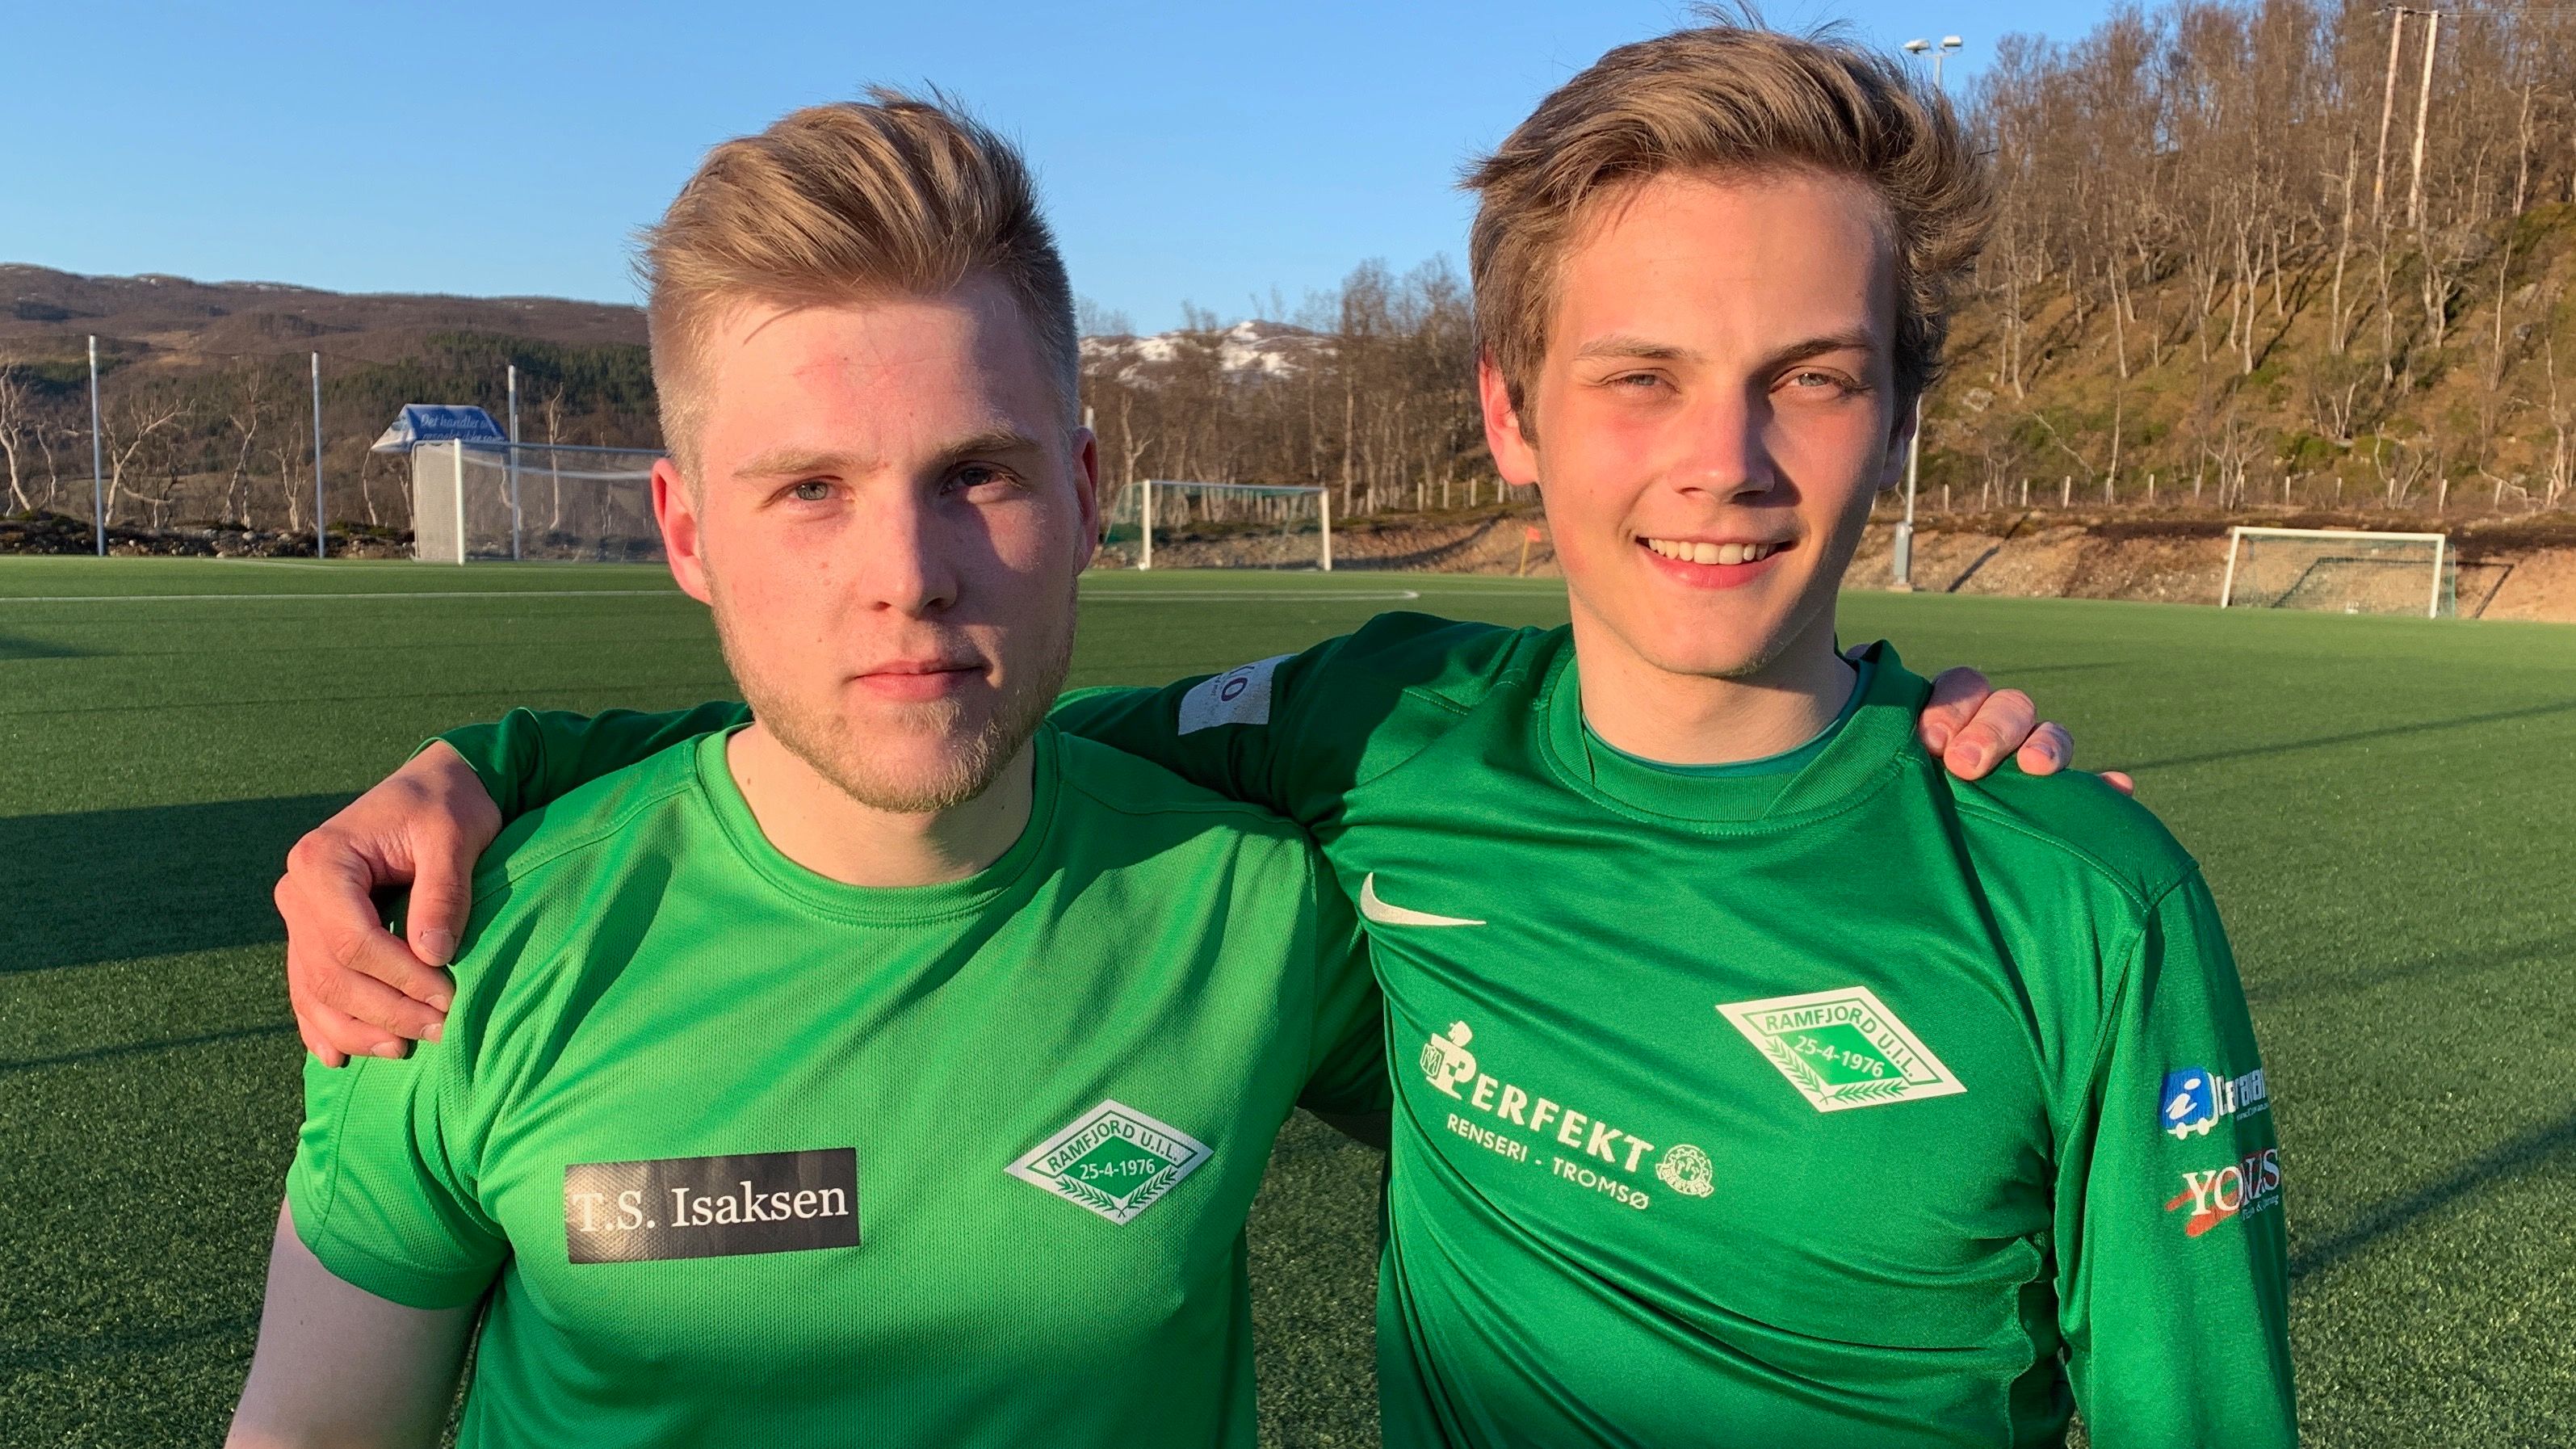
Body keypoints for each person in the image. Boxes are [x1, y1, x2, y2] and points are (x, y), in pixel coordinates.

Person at [278, 24, 2297, 1449]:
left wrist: (2019, 819)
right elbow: (903, 735)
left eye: (1814, 378)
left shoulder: (2058, 888)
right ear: (1508, 412)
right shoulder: (462, 952)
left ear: (1081, 491)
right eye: (1639, 375)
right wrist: (502, 761)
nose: (1727, 462)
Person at [229, 94, 1393, 1448]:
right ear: (686, 532)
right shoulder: (462, 944)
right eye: (810, 489)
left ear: (1084, 498)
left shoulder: (1259, 905)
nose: (908, 575)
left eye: (976, 474)